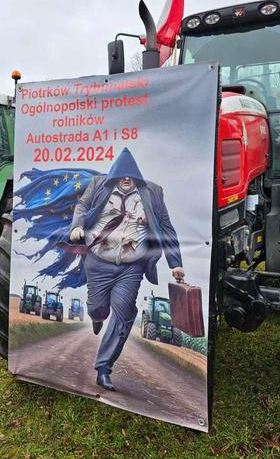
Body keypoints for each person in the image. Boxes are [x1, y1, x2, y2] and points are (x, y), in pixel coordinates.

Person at [65, 148, 184, 391]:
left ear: (136, 176)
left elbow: (167, 228)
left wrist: (176, 263)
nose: (126, 179)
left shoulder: (153, 192)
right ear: (116, 175)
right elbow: (82, 206)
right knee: (98, 307)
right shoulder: (99, 185)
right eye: (122, 175)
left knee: (123, 312)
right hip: (98, 261)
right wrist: (77, 227)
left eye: (130, 175)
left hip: (131, 266)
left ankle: (104, 368)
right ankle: (97, 317)